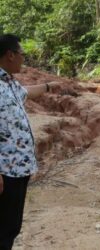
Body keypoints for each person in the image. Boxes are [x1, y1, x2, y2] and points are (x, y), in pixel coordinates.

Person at [0, 34, 58, 250]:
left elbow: (27, 93)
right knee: (4, 229)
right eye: (22, 54)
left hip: (18, 170)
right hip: (5, 172)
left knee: (11, 227)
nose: (24, 59)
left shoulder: (9, 83)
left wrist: (49, 86)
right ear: (10, 55)